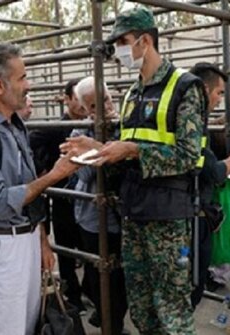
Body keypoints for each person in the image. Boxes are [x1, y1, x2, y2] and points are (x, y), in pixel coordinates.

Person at [62, 7, 205, 334]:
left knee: (172, 307)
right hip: (134, 213)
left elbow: (188, 155)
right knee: (141, 307)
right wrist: (99, 150)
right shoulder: (131, 94)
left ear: (145, 40)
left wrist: (133, 149)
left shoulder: (184, 86)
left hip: (168, 216)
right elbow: (125, 155)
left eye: (123, 41)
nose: (119, 50)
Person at [0, 43, 79, 335]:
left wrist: (42, 241)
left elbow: (28, 185)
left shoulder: (14, 125)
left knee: (27, 322)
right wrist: (55, 175)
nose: (27, 85)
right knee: (5, 328)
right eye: (22, 77)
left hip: (26, 238)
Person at [188, 62, 230, 309]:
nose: (223, 100)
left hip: (206, 201)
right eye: (220, 94)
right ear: (205, 90)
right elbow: (211, 170)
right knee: (191, 284)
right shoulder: (194, 122)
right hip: (196, 207)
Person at [70, 76, 128, 334]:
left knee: (124, 281)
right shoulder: (78, 133)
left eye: (105, 100)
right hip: (92, 218)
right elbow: (84, 174)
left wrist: (96, 149)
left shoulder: (124, 127)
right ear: (84, 109)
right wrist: (107, 149)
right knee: (101, 279)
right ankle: (110, 325)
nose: (103, 109)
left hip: (122, 216)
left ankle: (112, 320)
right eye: (94, 106)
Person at [29, 78, 88, 312]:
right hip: (63, 194)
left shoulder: (91, 122)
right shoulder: (56, 126)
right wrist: (46, 168)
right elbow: (32, 141)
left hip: (85, 195)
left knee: (86, 246)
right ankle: (72, 294)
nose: (82, 104)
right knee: (65, 246)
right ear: (67, 99)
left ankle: (86, 290)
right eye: (77, 98)